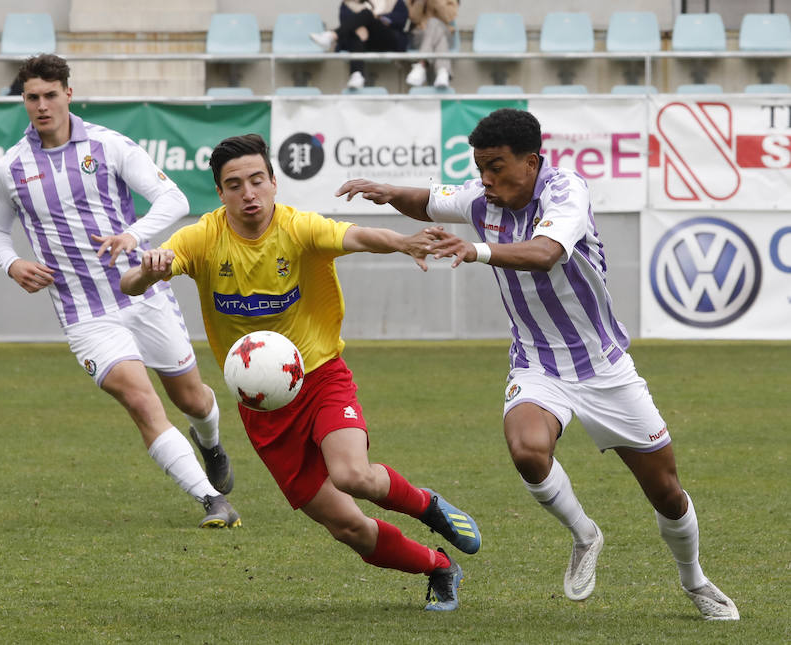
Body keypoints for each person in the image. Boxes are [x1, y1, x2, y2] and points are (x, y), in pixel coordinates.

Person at [335, 108, 740, 621]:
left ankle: (695, 579)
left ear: (531, 162)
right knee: (528, 450)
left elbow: (546, 252)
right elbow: (429, 200)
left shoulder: (565, 191)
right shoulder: (485, 199)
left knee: (666, 490)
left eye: (497, 167)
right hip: (538, 365)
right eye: (480, 167)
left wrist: (478, 250)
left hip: (605, 368)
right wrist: (389, 191)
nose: (486, 179)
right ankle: (584, 534)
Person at [120, 133, 481, 611]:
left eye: (256, 181)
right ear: (221, 193)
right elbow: (129, 282)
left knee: (352, 474)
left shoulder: (297, 228)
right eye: (234, 185)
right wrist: (150, 268)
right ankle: (437, 567)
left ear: (273, 182)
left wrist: (402, 242)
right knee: (347, 527)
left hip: (321, 377)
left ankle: (427, 505)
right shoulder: (203, 238)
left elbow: (356, 235)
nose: (248, 193)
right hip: (263, 406)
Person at [0, 54, 240, 529]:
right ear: (23, 100)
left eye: (51, 95)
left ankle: (212, 445)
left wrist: (134, 235)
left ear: (68, 94)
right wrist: (12, 262)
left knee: (193, 400)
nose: (42, 106)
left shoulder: (108, 145)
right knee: (141, 401)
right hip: (84, 314)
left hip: (142, 294)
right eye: (33, 97)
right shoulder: (9, 170)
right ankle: (212, 501)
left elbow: (174, 199)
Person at [310, 0, 409, 90]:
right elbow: (345, 21)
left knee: (367, 14)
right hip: (361, 38)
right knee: (356, 33)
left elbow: (401, 20)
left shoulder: (394, 2)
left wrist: (378, 18)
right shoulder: (349, 3)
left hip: (385, 38)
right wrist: (360, 27)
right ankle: (357, 75)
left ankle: (331, 36)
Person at [405, 0, 458, 88]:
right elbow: (414, 18)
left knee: (434, 23)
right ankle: (443, 71)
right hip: (420, 36)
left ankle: (421, 65)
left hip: (445, 32)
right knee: (441, 40)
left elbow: (448, 17)